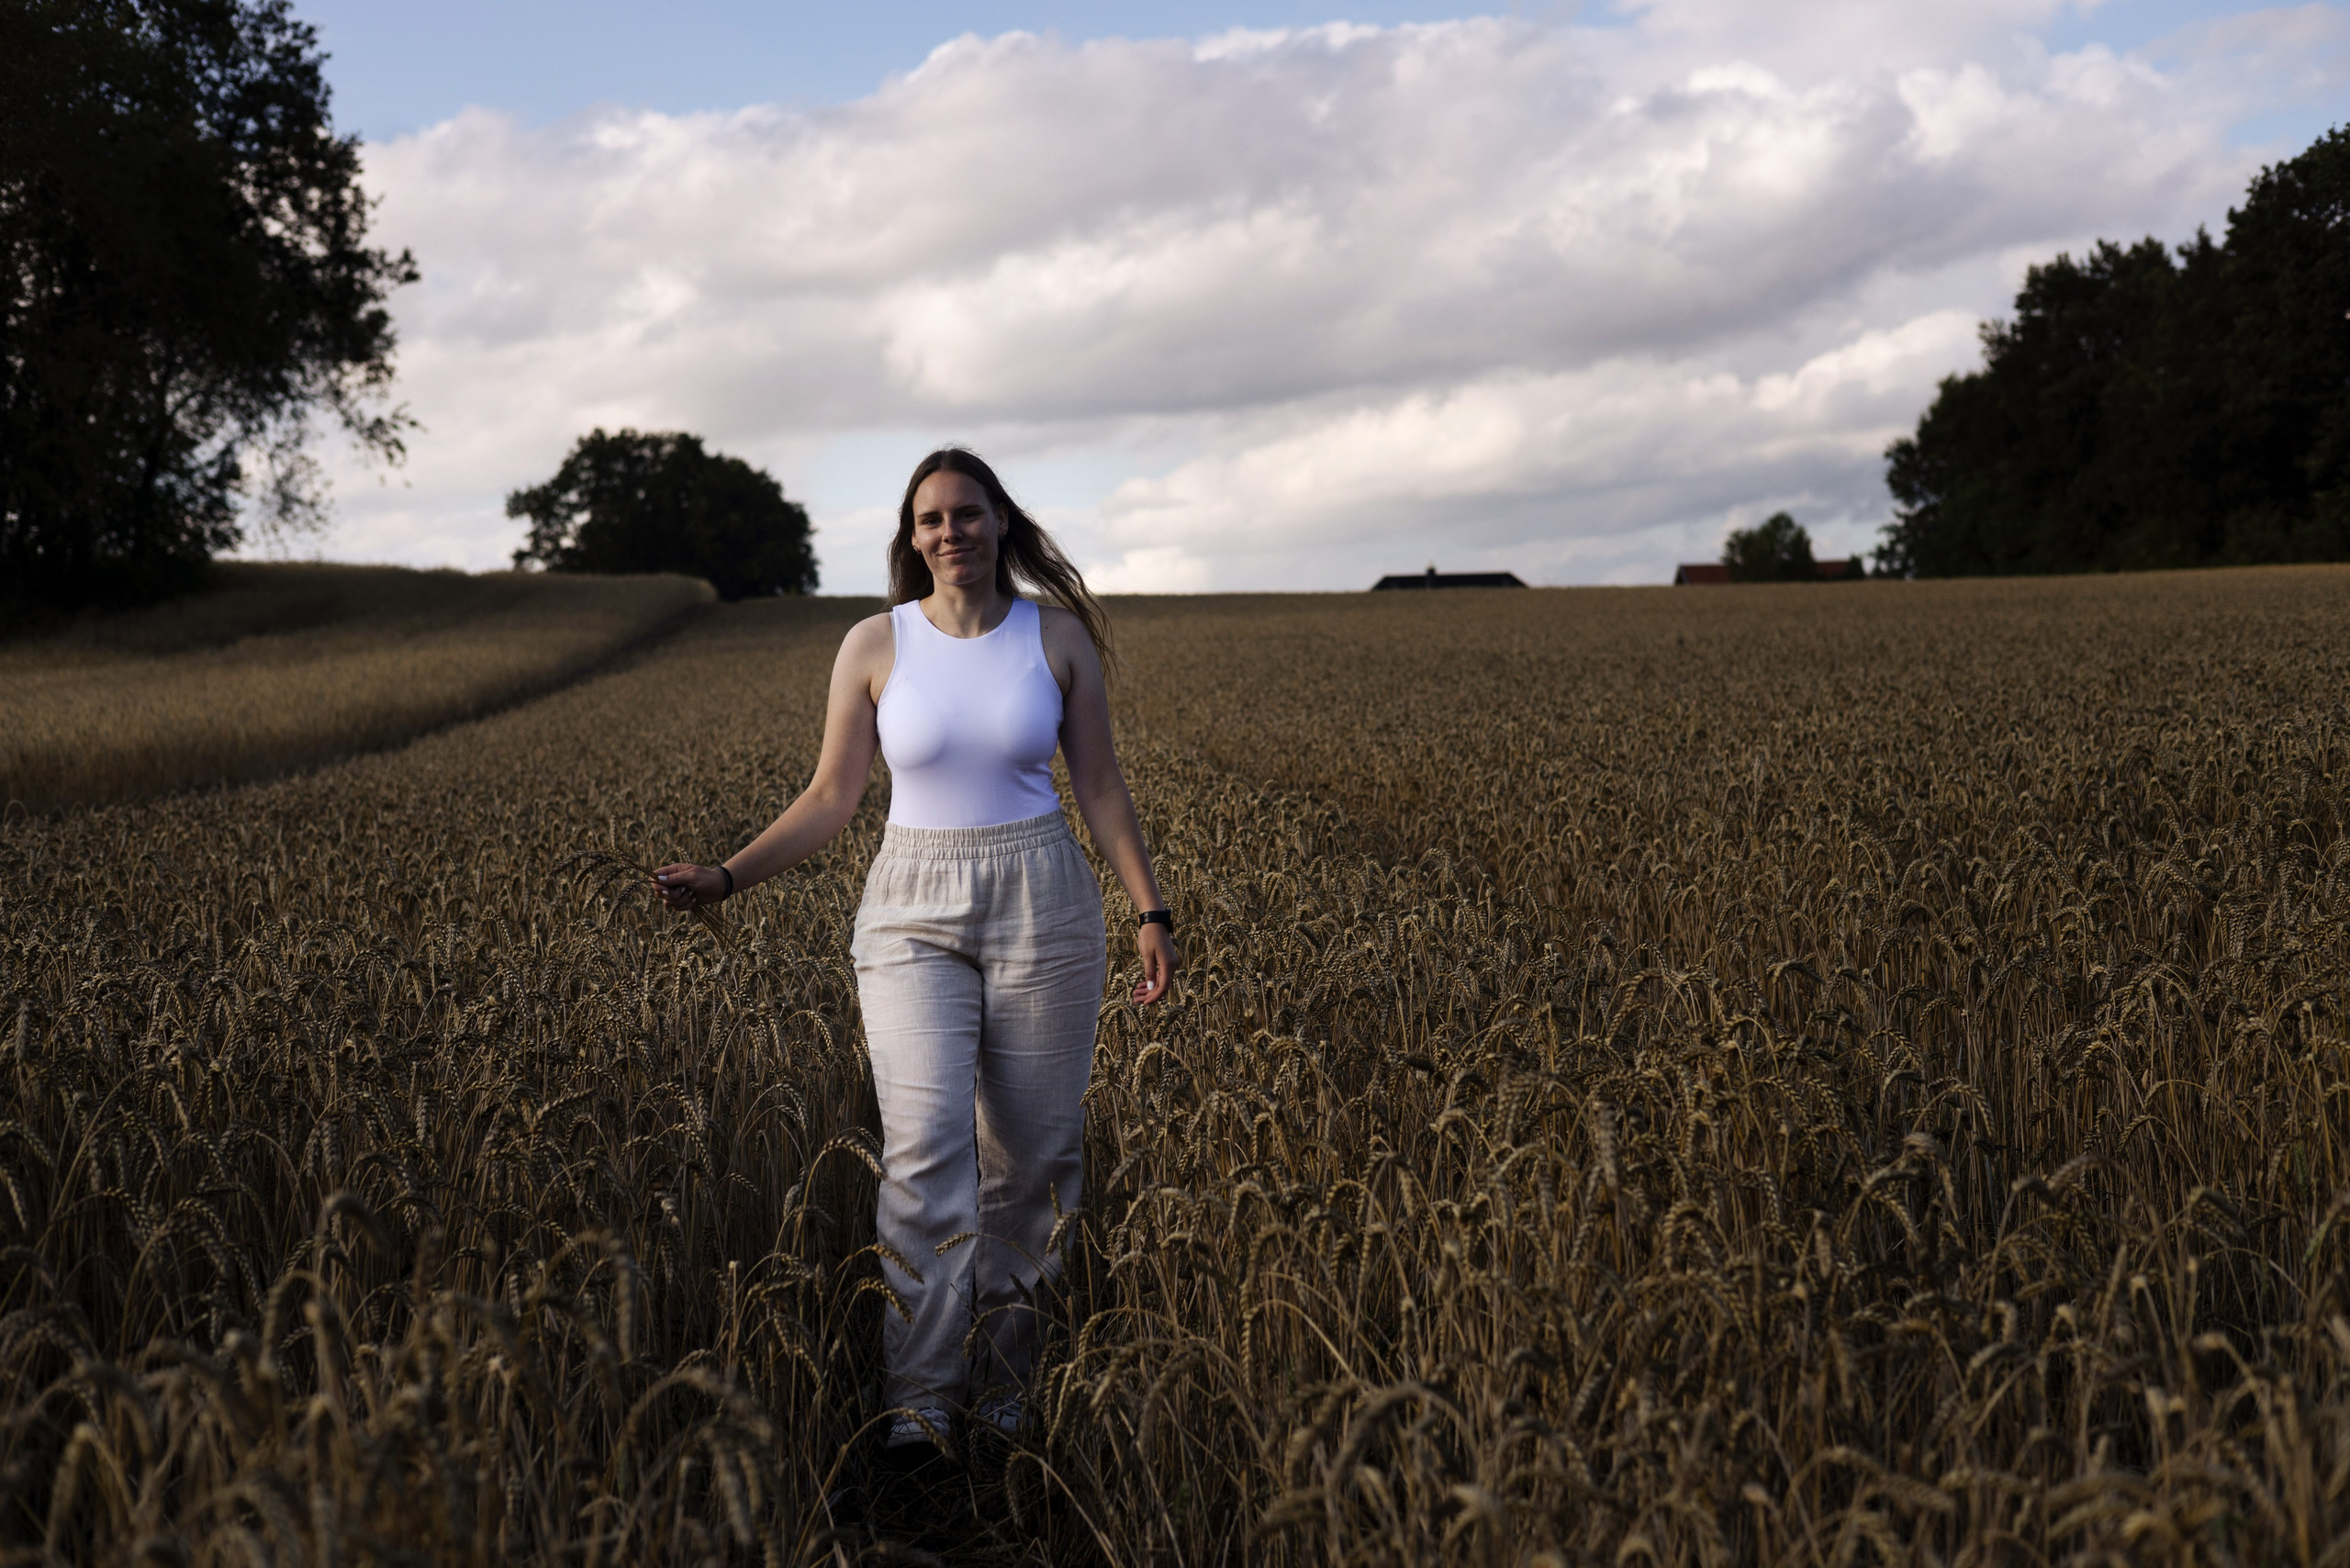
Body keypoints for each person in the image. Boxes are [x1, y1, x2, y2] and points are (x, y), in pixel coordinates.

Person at [650, 447, 1181, 1463]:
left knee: (1033, 1160)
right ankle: (922, 1400)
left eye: (967, 514)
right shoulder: (874, 643)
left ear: (1000, 521)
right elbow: (829, 798)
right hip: (910, 911)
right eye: (930, 519)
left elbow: (1102, 787)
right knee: (924, 1150)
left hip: (1044, 901)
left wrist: (1150, 910)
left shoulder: (1056, 637)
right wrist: (726, 875)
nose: (950, 532)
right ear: (912, 536)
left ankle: (1007, 1393)